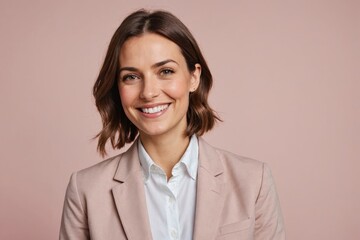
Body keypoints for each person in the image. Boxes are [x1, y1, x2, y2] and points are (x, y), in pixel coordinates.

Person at [59, 9, 285, 240]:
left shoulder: (253, 181)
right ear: (117, 87)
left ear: (194, 77)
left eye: (165, 71)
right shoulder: (86, 190)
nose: (148, 92)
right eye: (131, 77)